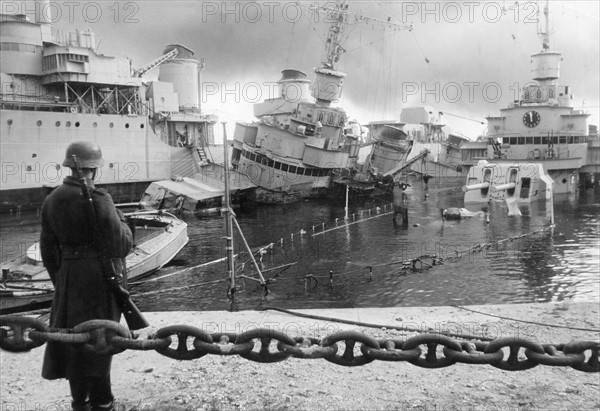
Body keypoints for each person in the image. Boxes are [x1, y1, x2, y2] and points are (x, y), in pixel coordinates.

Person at [40, 141, 133, 411]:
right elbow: (121, 246)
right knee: (100, 340)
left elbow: (48, 251)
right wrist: (123, 220)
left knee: (73, 341)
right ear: (94, 169)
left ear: (69, 166)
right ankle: (103, 401)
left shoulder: (51, 200)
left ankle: (79, 401)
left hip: (68, 278)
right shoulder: (101, 199)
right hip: (99, 280)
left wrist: (62, 281)